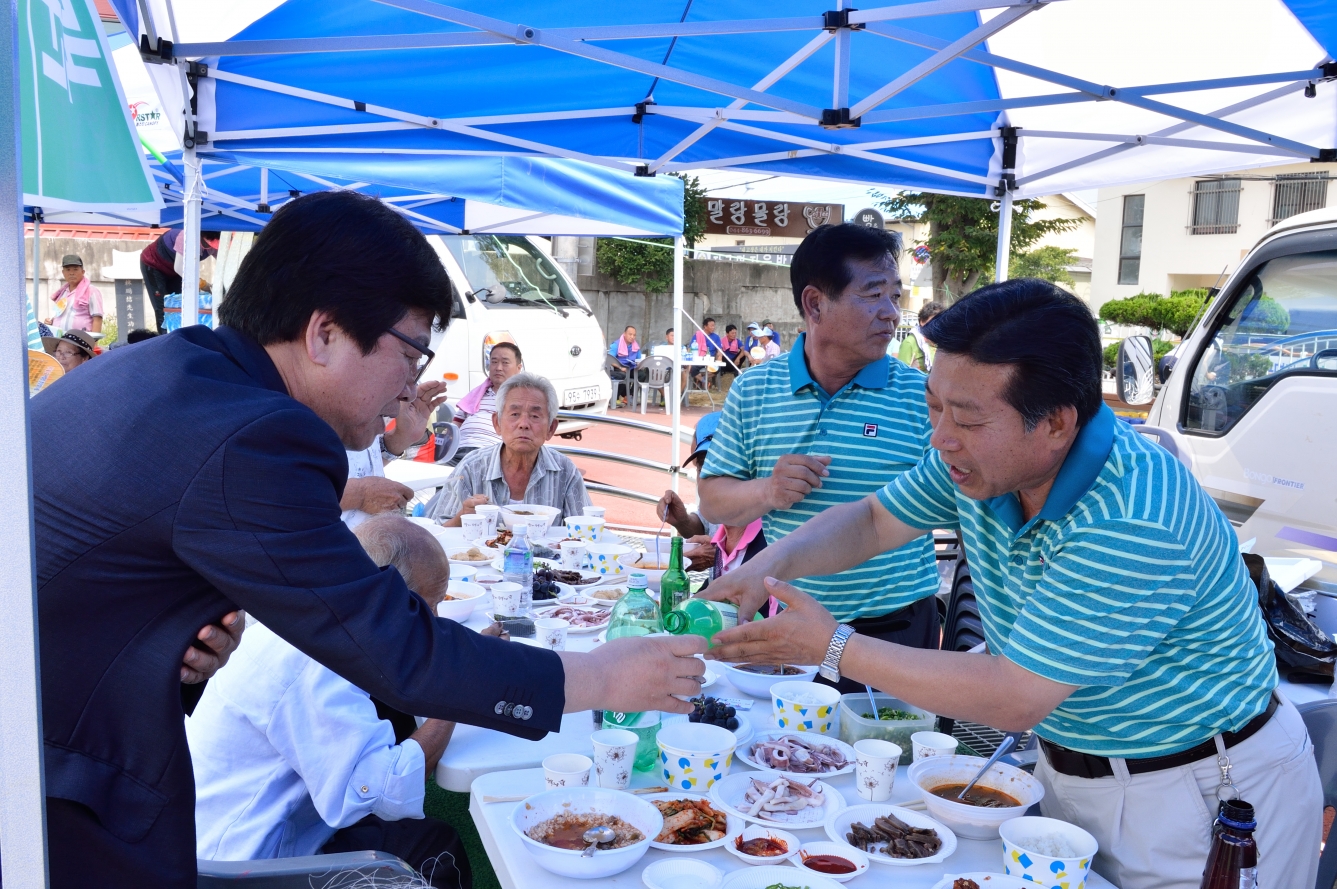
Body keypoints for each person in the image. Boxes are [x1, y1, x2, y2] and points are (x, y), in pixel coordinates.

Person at [30, 191, 706, 889]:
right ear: (323, 332)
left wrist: (169, 640)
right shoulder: (254, 434)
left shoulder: (178, 374)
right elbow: (390, 643)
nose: (414, 384)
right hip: (55, 792)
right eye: (412, 351)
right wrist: (601, 675)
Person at [701, 279, 1322, 889]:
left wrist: (829, 645)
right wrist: (763, 567)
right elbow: (873, 519)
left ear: (1055, 422)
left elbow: (1013, 695)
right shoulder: (983, 464)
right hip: (1074, 769)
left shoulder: (1131, 515)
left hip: (1203, 792)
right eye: (934, 405)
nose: (941, 437)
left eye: (966, 418)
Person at [696, 223, 940, 693]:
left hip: (898, 631)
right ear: (814, 303)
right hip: (792, 627)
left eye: (896, 296)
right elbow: (712, 502)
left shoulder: (921, 397)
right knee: (792, 757)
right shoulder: (754, 389)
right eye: (873, 295)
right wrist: (767, 490)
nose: (891, 314)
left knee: (893, 756)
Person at [190, 515, 484, 888]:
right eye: (432, 604)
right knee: (433, 846)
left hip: (231, 838)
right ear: (388, 596)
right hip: (244, 868)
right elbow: (388, 792)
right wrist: (455, 697)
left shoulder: (312, 621)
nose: (437, 619)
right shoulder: (310, 664)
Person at [431, 372, 592, 526]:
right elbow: (439, 531)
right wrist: (462, 518)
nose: (523, 424)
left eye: (535, 416)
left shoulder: (565, 472)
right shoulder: (471, 467)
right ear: (497, 423)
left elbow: (587, 529)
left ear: (551, 428)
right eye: (514, 414)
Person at [657, 412, 765, 578]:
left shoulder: (764, 502)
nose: (703, 480)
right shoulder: (716, 497)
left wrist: (718, 555)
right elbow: (704, 526)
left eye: (717, 467)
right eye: (701, 467)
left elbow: (768, 564)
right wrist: (682, 521)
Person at [340, 378, 448, 529]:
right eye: (408, 357)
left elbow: (355, 462)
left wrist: (401, 437)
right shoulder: (306, 402)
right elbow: (296, 493)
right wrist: (360, 495)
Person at [450, 341, 524, 462]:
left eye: (505, 363)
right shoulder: (476, 395)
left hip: (490, 455)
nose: (498, 368)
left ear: (518, 368)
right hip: (459, 451)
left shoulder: (522, 399)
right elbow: (455, 425)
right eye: (494, 362)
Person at [139, 227, 221, 331]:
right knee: (163, 309)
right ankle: (165, 342)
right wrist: (202, 284)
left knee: (180, 307)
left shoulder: (215, 241)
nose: (209, 248)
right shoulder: (186, 236)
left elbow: (223, 263)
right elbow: (179, 268)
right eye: (207, 245)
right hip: (154, 266)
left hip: (176, 271)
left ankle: (182, 339)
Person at [46, 254, 103, 333]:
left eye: (75, 269)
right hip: (59, 338)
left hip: (81, 341)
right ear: (63, 273)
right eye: (68, 270)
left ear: (83, 272)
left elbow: (97, 318)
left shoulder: (91, 291)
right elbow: (59, 315)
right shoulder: (62, 293)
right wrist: (50, 322)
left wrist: (94, 343)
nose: (71, 273)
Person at [897, 300, 944, 372]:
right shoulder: (910, 343)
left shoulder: (941, 342)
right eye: (934, 321)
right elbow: (901, 372)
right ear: (922, 321)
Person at [607, 324, 645, 406]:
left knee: (642, 375)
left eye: (634, 335)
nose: (632, 337)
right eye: (630, 334)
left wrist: (640, 364)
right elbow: (610, 359)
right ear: (624, 334)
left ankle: (629, 396)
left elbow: (639, 359)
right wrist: (620, 367)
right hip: (619, 368)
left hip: (631, 368)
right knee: (622, 376)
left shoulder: (635, 346)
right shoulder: (616, 345)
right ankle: (616, 397)